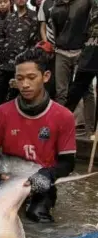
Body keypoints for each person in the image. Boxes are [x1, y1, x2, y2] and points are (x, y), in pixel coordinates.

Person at [0, 48, 76, 223]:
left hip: (41, 181)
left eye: (31, 78)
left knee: (37, 217)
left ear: (45, 76)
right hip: (7, 179)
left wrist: (46, 176)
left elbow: (67, 163)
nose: (25, 84)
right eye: (19, 78)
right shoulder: (1, 113)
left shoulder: (64, 116)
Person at [0, 0, 38, 119]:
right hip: (5, 63)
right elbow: (2, 40)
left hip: (22, 65)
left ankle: (16, 121)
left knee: (18, 94)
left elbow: (34, 42)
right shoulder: (9, 18)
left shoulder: (33, 17)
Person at [51, 0, 95, 136]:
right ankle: (62, 129)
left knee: (87, 91)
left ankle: (90, 130)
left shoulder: (86, 2)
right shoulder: (55, 8)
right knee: (61, 92)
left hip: (82, 50)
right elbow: (54, 30)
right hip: (61, 51)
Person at [65, 0, 98, 140]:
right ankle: (60, 123)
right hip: (89, 51)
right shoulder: (86, 4)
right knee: (75, 91)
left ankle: (94, 131)